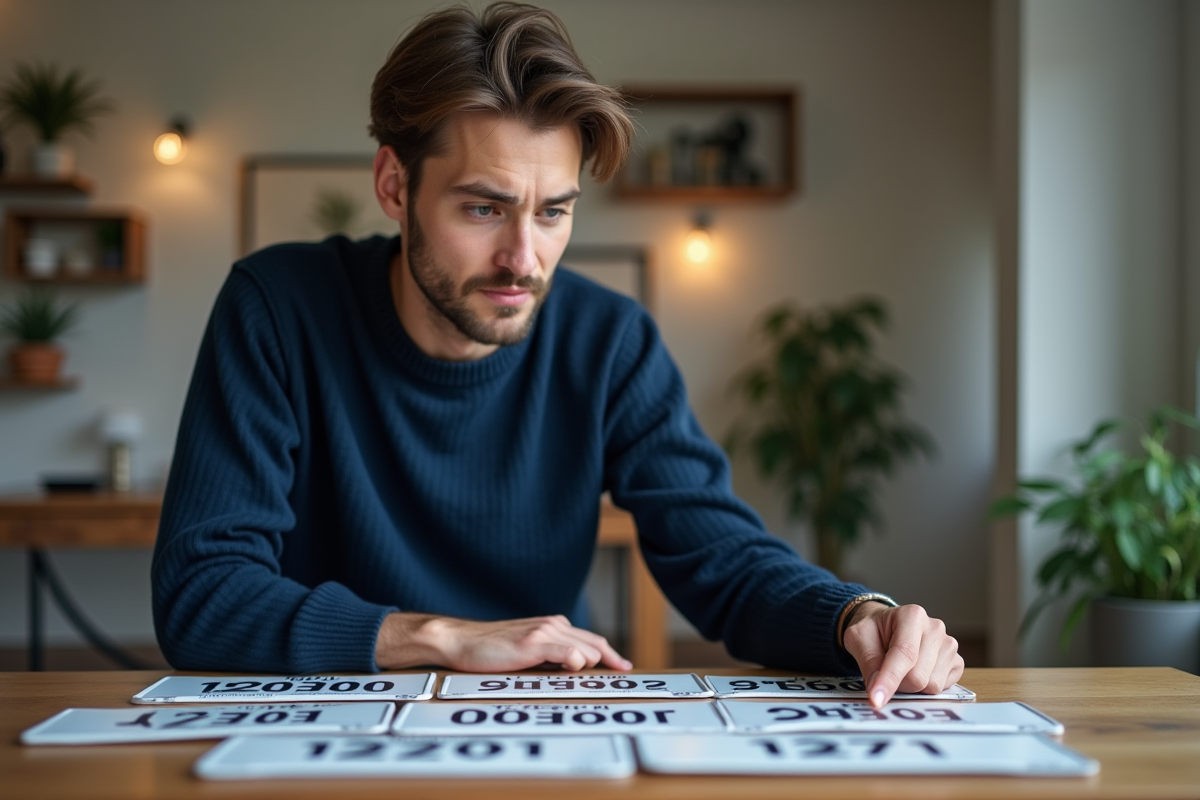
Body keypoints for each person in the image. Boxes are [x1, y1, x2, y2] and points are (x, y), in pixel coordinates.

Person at [152, 1, 962, 708]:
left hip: (535, 719)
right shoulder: (277, 307)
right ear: (394, 185)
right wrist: (440, 638)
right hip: (322, 730)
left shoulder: (609, 341)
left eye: (553, 213)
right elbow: (201, 595)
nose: (524, 258)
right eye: (483, 208)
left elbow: (720, 554)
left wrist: (857, 617)